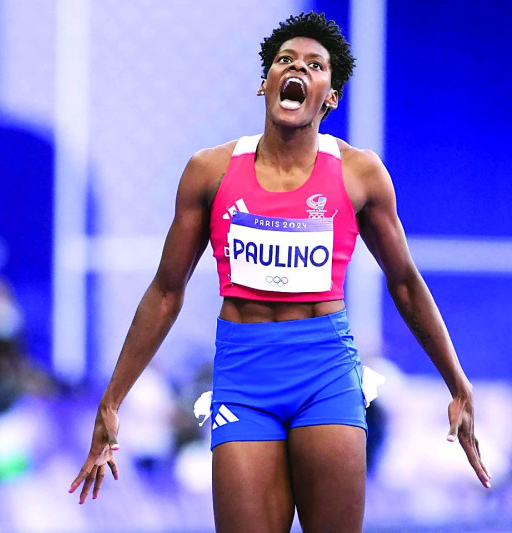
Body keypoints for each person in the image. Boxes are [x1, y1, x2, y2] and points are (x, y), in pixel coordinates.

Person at [69, 12, 490, 532]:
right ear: (265, 82)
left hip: (325, 371)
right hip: (245, 374)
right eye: (285, 60)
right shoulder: (211, 171)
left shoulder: (360, 174)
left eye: (315, 65)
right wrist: (112, 401)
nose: (297, 68)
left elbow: (403, 281)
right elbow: (164, 291)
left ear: (329, 96)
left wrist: (457, 382)